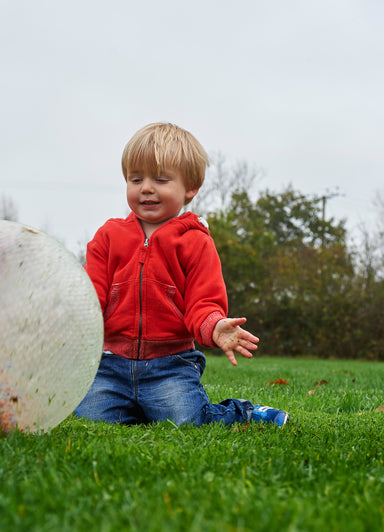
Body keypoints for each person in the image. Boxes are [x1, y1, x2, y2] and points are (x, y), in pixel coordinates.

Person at [74, 122, 289, 427]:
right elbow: (89, 293)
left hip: (170, 365)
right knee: (90, 418)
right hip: (111, 364)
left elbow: (204, 302)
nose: (146, 188)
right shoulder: (108, 237)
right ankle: (138, 409)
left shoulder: (196, 242)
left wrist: (214, 326)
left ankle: (246, 413)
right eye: (136, 179)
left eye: (160, 179)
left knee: (186, 419)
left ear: (190, 188)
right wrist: (68, 313)